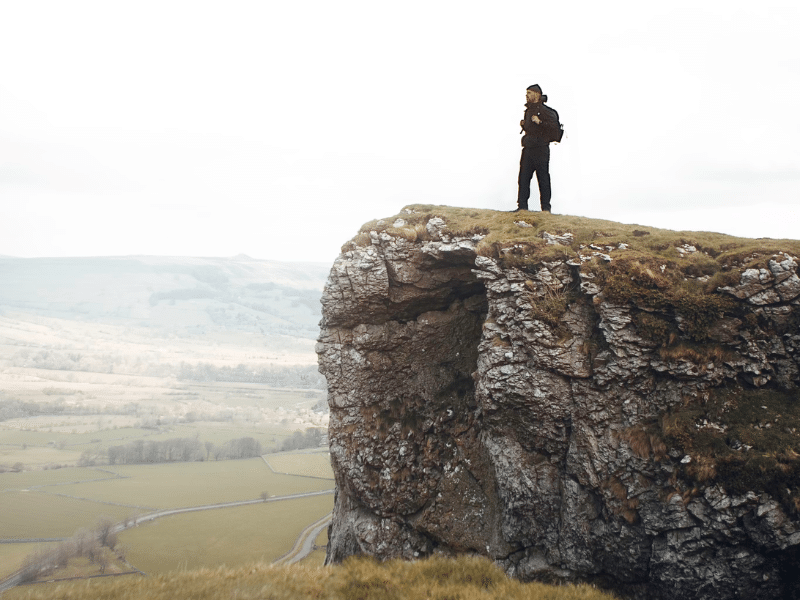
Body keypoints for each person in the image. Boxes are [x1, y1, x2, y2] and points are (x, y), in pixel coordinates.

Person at [517, 84, 562, 212]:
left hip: (541, 149)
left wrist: (540, 122)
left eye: (529, 93)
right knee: (523, 178)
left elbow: (554, 128)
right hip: (528, 148)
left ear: (536, 94)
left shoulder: (547, 111)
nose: (526, 96)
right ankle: (522, 207)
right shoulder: (528, 111)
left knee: (543, 179)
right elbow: (532, 130)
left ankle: (546, 210)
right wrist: (525, 125)